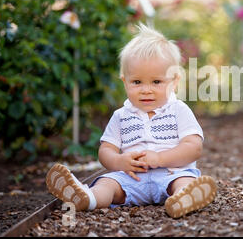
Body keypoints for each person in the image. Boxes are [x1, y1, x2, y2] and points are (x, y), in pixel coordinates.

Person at [46, 23, 217, 218]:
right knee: (108, 183)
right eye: (137, 82)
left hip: (172, 174)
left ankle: (182, 199)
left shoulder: (179, 110)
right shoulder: (121, 115)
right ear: (124, 81)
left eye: (156, 82)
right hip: (132, 179)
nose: (146, 89)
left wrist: (160, 158)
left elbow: (193, 147)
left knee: (185, 181)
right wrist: (119, 161)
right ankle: (88, 198)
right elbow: (105, 151)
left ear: (174, 81)